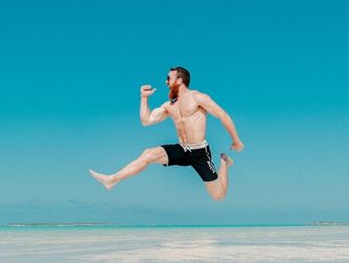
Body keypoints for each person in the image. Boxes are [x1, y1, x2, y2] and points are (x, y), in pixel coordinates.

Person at [89, 66, 244, 201]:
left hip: (199, 152)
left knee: (218, 196)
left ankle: (224, 163)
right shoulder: (169, 105)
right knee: (148, 154)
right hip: (182, 149)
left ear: (179, 80)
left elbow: (222, 115)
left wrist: (236, 141)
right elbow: (146, 121)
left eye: (168, 78)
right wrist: (143, 98)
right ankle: (112, 180)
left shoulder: (198, 97)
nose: (165, 82)